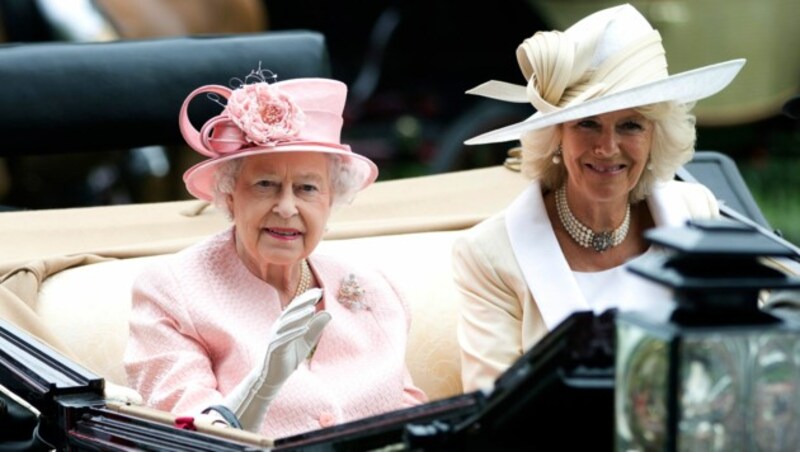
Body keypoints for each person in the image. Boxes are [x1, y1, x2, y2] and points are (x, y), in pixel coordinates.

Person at [452, 3, 747, 392]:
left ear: (656, 135)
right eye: (588, 124)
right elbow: (491, 413)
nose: (607, 148)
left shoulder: (697, 212)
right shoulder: (488, 255)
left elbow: (742, 355)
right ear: (557, 134)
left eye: (630, 125)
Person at [123, 69, 427, 438]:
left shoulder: (375, 288)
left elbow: (412, 415)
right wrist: (259, 388)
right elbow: (188, 435)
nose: (287, 207)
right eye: (266, 184)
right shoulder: (172, 292)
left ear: (331, 200)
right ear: (230, 195)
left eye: (307, 188)